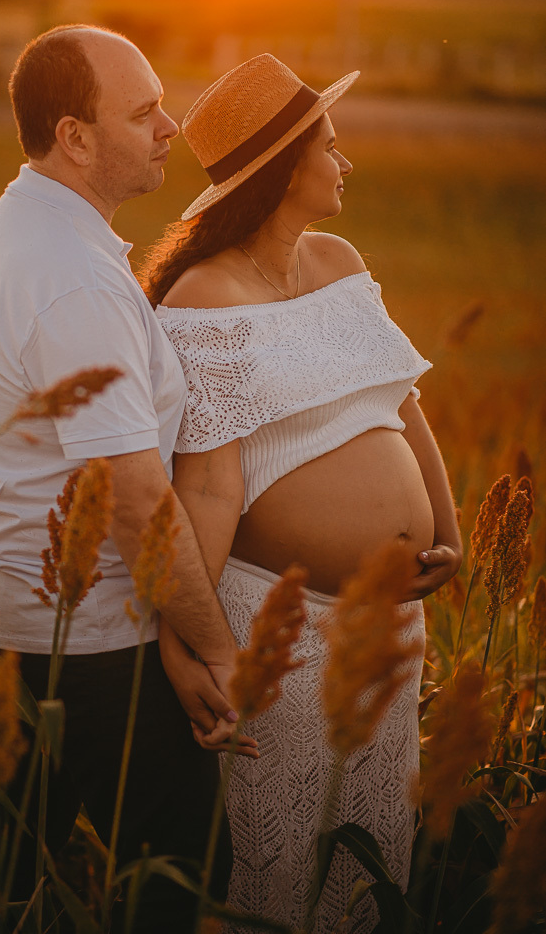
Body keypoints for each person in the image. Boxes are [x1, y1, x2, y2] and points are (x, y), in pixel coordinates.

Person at [139, 54, 462, 932]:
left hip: (392, 619)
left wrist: (450, 526)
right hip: (284, 623)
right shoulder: (203, 298)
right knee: (282, 859)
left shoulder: (338, 258)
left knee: (371, 843)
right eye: (329, 144)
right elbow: (203, 483)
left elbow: (400, 398)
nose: (344, 160)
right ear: (283, 169)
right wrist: (187, 638)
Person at [0, 24, 250, 933]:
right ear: (74, 136)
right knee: (184, 878)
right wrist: (214, 647)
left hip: (34, 622)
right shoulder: (69, 274)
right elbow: (131, 496)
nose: (170, 126)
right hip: (85, 641)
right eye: (144, 110)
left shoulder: (41, 228)